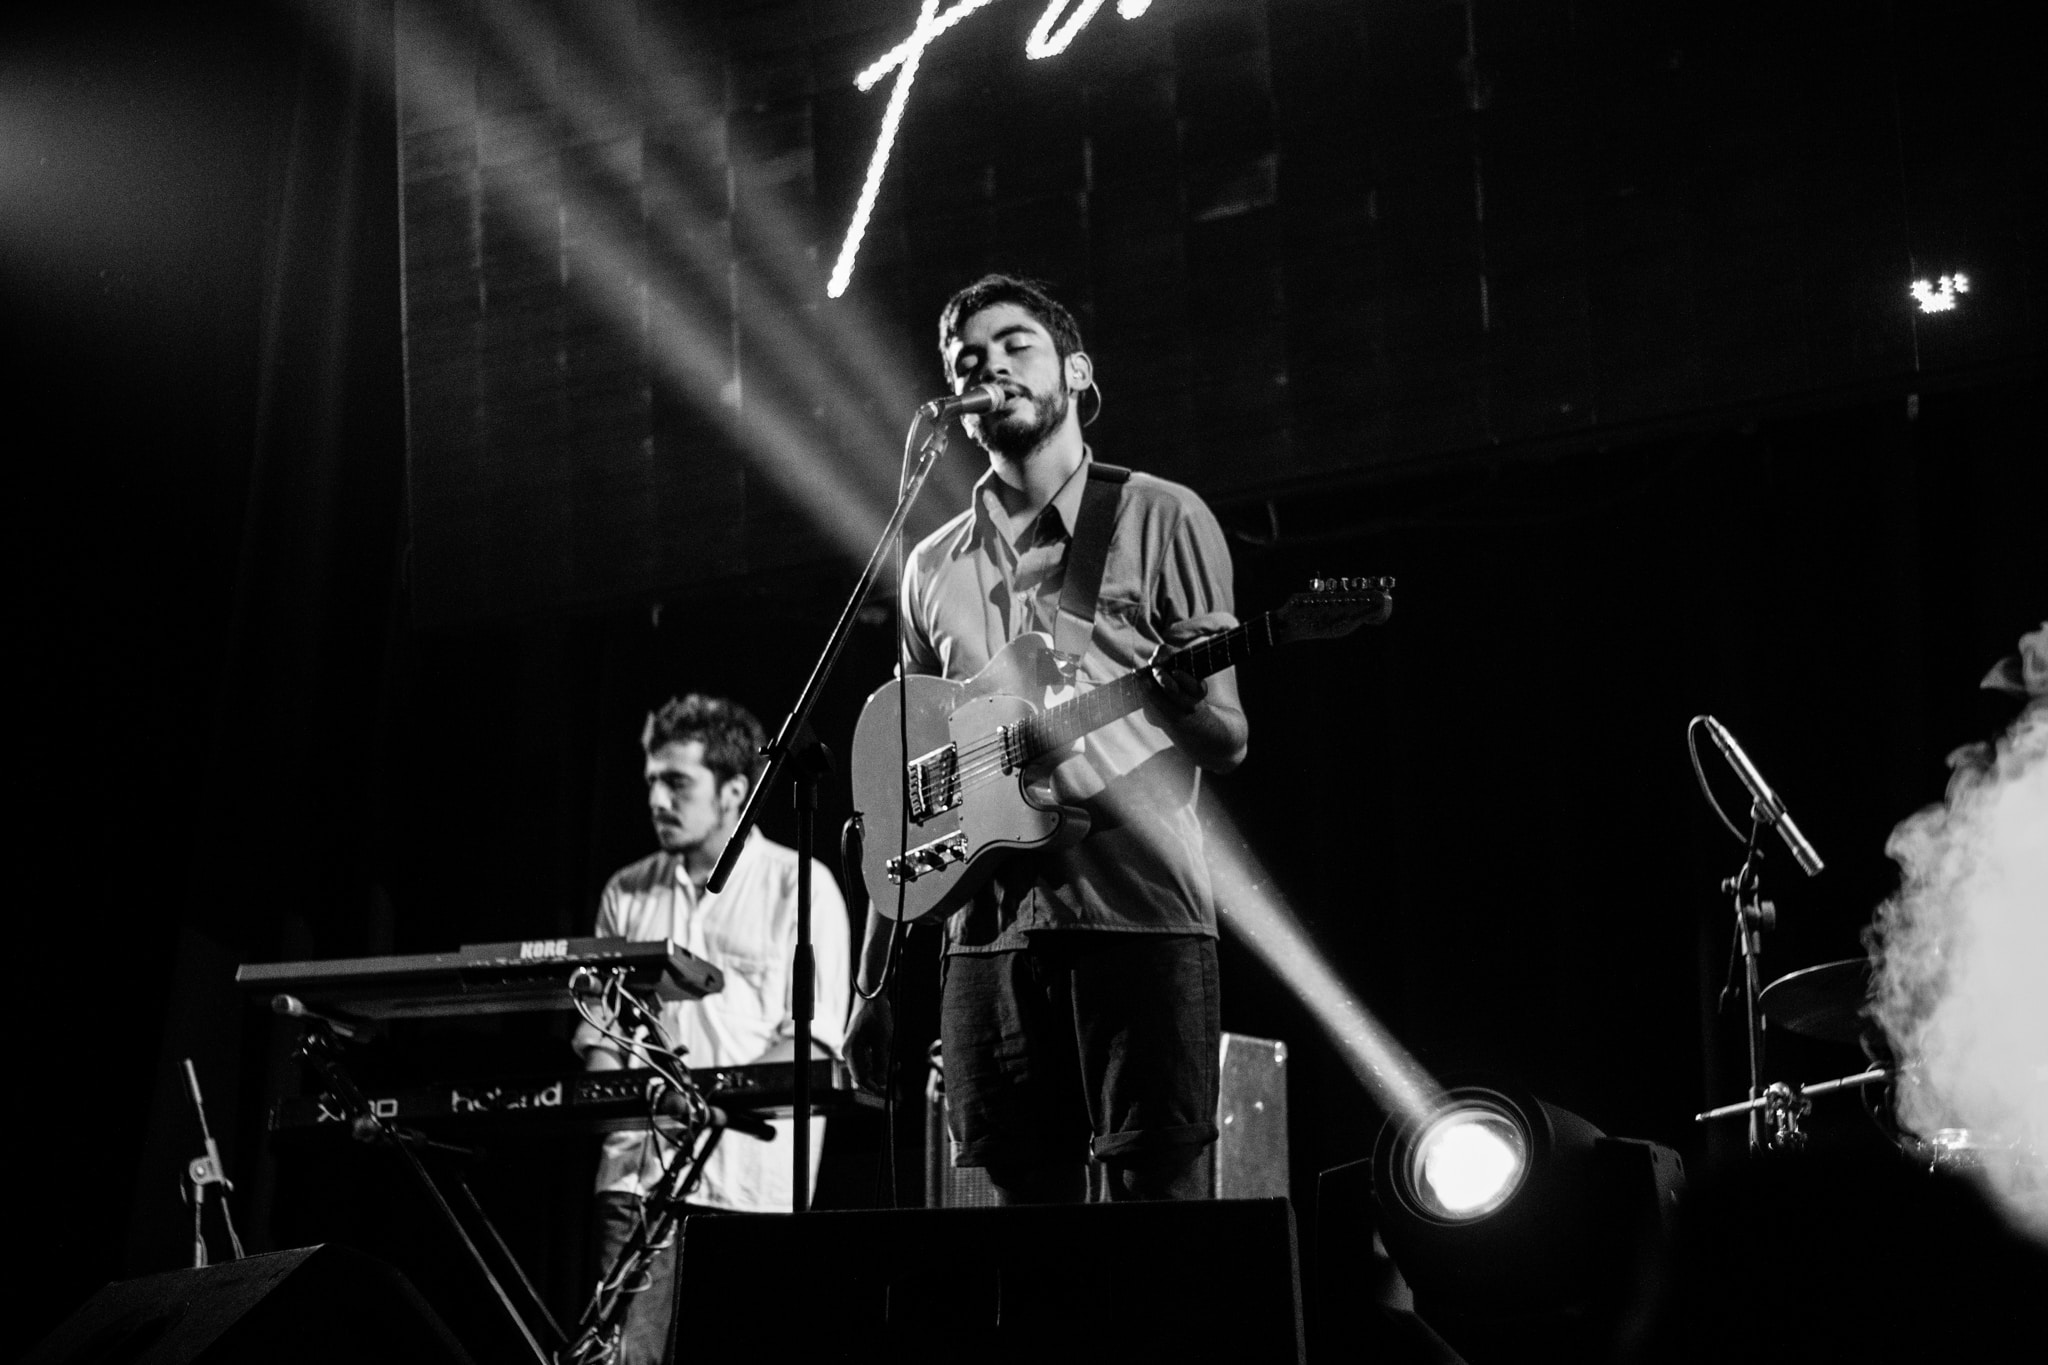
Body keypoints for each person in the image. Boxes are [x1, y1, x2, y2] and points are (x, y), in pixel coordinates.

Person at [845, 274, 1249, 1205]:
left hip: (1137, 913)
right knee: (1029, 1259)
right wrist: (871, 987)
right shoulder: (928, 564)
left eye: (1014, 343)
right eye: (966, 357)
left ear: (1076, 369)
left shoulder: (1161, 515)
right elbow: (910, 786)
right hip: (984, 940)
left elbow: (1227, 737)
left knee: (1158, 1225)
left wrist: (1180, 696)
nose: (988, 364)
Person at [571, 694, 851, 1365]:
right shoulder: (626, 892)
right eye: (651, 781)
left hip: (752, 1188)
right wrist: (630, 1102)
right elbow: (600, 1043)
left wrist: (705, 1100)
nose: (658, 798)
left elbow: (808, 1046)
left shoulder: (798, 885)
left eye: (677, 782)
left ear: (733, 790)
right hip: (639, 1186)